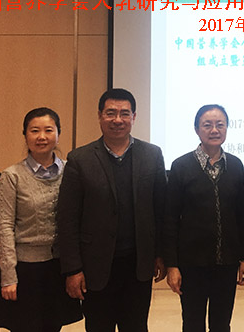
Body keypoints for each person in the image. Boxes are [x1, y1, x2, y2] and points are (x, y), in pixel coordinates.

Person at [56, 88, 167, 332]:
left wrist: (160, 254)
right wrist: (73, 269)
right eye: (111, 113)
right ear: (99, 116)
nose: (118, 119)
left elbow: (160, 210)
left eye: (124, 113)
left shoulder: (152, 155)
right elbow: (67, 219)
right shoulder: (80, 159)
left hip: (137, 264)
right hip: (95, 265)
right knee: (99, 327)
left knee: (136, 326)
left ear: (134, 117)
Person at [0, 108, 82, 331]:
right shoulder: (12, 176)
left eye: (48, 130)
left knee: (53, 326)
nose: (42, 137)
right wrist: (8, 276)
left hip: (59, 267)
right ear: (25, 135)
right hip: (26, 270)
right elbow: (4, 228)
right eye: (34, 131)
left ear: (58, 134)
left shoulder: (72, 172)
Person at [164, 104, 244, 332]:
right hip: (191, 264)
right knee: (192, 323)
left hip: (227, 263)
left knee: (221, 324)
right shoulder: (181, 166)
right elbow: (170, 219)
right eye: (207, 125)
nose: (214, 130)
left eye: (220, 125)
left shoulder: (235, 165)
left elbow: (241, 216)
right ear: (196, 129)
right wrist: (172, 265)